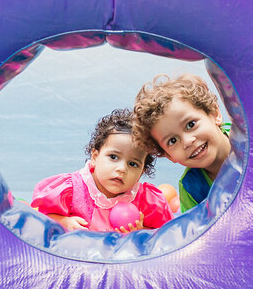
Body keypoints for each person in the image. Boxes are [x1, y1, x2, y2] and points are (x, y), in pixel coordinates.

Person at [31, 109, 173, 232]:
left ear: (141, 172)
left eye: (133, 164)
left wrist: (140, 231)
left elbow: (164, 235)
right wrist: (63, 222)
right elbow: (41, 218)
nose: (122, 169)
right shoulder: (71, 189)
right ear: (95, 156)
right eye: (113, 157)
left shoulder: (146, 201)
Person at [133, 75, 232, 212]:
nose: (187, 142)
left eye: (191, 124)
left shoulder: (250, 142)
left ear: (215, 114)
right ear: (169, 156)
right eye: (172, 141)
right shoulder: (190, 188)